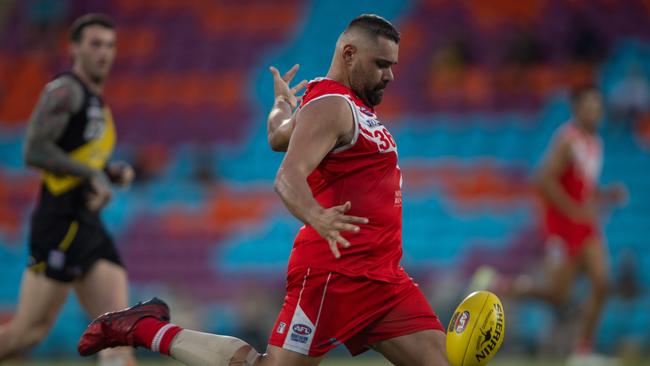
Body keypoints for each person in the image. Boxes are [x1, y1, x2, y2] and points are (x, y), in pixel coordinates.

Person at [77, 14, 450, 366]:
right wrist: (317, 215)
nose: (389, 76)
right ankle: (146, 328)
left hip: (383, 276)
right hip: (336, 275)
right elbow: (287, 176)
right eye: (382, 64)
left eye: (392, 66)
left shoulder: (335, 105)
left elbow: (277, 135)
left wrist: (282, 106)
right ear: (349, 54)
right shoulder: (331, 105)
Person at [0, 14, 136, 366]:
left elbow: (79, 153)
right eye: (95, 44)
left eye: (109, 45)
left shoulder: (96, 102)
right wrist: (92, 176)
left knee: (120, 334)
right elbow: (35, 150)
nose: (103, 52)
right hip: (60, 221)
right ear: (74, 48)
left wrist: (109, 171)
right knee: (27, 333)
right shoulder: (65, 90)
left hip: (88, 223)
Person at [474, 86, 627, 363]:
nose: (594, 111)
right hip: (564, 227)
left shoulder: (595, 143)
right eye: (588, 106)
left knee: (602, 282)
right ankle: (504, 285)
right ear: (576, 109)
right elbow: (542, 179)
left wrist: (606, 194)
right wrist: (573, 210)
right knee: (559, 294)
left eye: (597, 105)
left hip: (585, 225)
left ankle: (583, 351)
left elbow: (581, 186)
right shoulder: (568, 141)